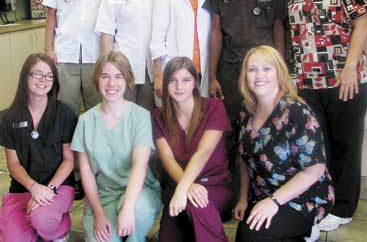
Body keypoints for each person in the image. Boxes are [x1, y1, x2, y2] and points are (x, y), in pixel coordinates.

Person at [288, 0, 367, 232]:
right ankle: (323, 199)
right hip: (307, 82)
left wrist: (349, 66)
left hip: (344, 80)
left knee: (346, 144)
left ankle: (345, 207)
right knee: (317, 146)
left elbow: (361, 22)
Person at [234, 46, 334, 242]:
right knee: (244, 236)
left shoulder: (296, 111)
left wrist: (274, 201)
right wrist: (243, 198)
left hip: (304, 195)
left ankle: (303, 227)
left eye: (267, 68)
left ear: (279, 73)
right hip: (264, 193)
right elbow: (244, 158)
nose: (259, 75)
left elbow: (315, 169)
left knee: (253, 235)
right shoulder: (246, 111)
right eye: (252, 69)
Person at [71, 51, 161, 242]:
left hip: (138, 192)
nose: (111, 84)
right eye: (105, 76)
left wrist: (128, 209)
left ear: (127, 80)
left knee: (139, 212)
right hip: (103, 196)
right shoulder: (85, 121)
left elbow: (140, 165)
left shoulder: (140, 116)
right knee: (104, 238)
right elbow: (86, 173)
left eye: (118, 76)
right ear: (96, 80)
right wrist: (98, 213)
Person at [204, 0, 288, 124]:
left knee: (264, 122)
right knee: (231, 125)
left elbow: (279, 29)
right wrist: (213, 77)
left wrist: (281, 72)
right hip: (231, 68)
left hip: (264, 69)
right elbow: (215, 31)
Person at [152, 57, 232, 242]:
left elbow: (202, 153)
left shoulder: (213, 107)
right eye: (173, 80)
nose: (179, 86)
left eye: (186, 80)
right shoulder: (158, 116)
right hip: (179, 186)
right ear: (165, 84)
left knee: (197, 205)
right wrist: (185, 187)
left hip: (214, 185)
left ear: (195, 83)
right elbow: (167, 159)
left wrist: (183, 190)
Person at [0, 53, 77, 241]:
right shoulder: (8, 118)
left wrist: (48, 189)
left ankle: (59, 228)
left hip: (57, 187)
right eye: (37, 74)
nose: (43, 80)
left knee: (42, 219)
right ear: (25, 77)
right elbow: (13, 163)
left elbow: (69, 160)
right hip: (23, 188)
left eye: (49, 75)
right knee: (10, 238)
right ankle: (33, 225)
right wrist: (33, 187)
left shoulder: (64, 113)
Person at [96, 0, 163, 112]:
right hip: (123, 68)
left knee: (147, 116)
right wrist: (108, 69)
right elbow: (106, 35)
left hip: (151, 69)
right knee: (122, 114)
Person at [150, 0, 211, 98]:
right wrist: (158, 76)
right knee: (178, 118)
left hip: (205, 70)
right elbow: (157, 39)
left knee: (202, 117)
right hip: (176, 73)